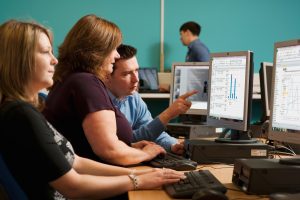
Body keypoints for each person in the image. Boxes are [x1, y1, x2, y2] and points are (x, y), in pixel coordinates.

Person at [0, 19, 185, 200]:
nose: (54, 60)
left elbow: (75, 162)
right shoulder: (21, 114)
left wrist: (140, 173)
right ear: (19, 60)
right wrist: (137, 180)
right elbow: (74, 186)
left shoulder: (25, 110)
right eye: (45, 52)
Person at [43, 14, 166, 166]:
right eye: (113, 48)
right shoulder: (86, 83)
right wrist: (143, 154)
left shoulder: (72, 79)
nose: (117, 55)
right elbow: (109, 151)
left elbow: (84, 143)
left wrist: (131, 148)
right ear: (97, 51)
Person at [105, 44, 197, 154]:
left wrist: (173, 145)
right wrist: (168, 114)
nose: (136, 79)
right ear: (108, 76)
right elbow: (127, 140)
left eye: (136, 71)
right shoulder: (100, 101)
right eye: (126, 74)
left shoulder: (134, 98)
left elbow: (153, 132)